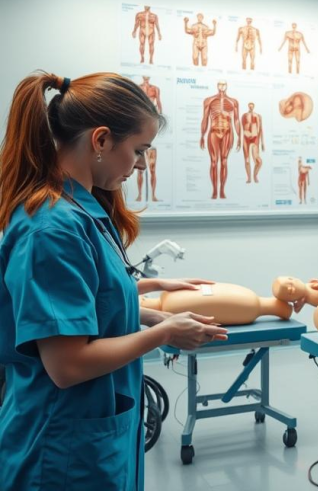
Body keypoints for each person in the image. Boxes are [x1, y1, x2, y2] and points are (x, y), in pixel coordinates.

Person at [0, 72, 229, 490]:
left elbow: (88, 305)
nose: (141, 164)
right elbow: (67, 365)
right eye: (138, 150)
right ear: (101, 140)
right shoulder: (51, 228)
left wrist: (149, 309)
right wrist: (165, 335)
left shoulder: (84, 211)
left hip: (94, 432)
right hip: (60, 445)